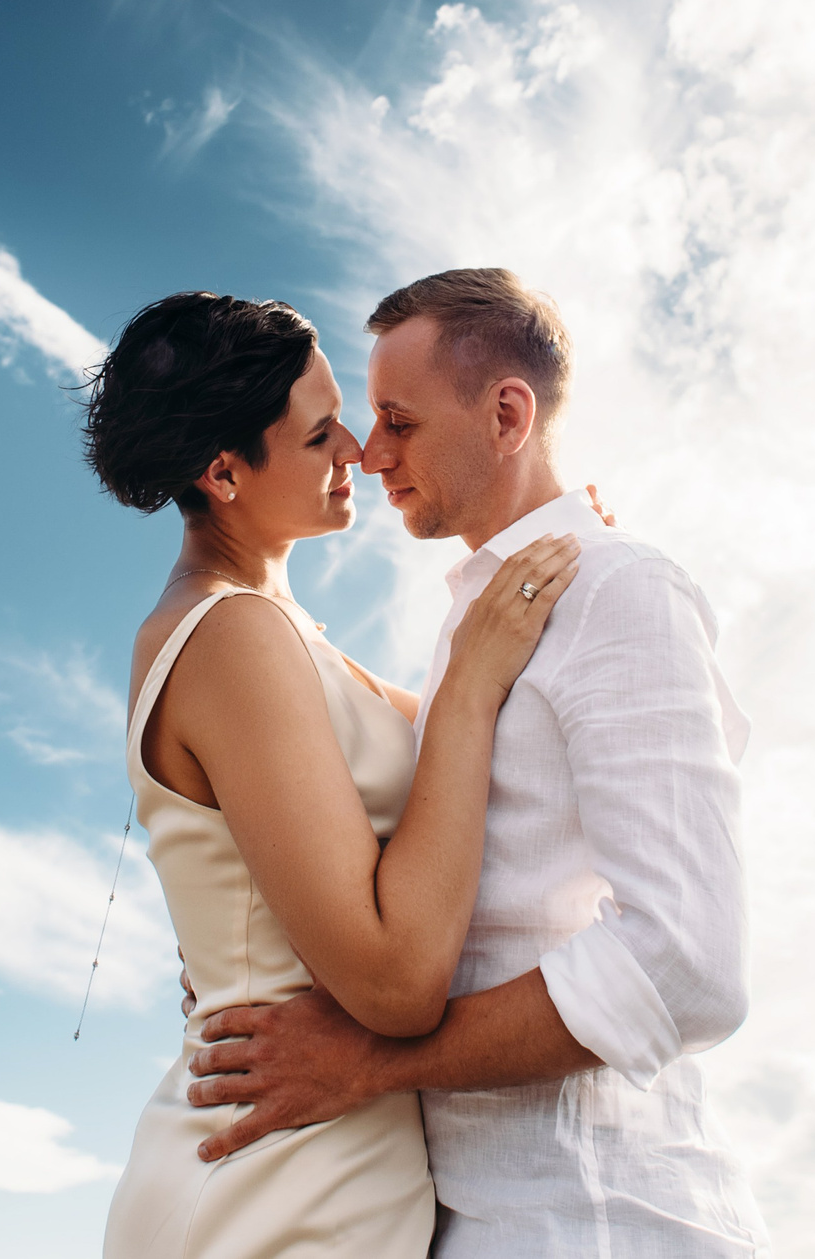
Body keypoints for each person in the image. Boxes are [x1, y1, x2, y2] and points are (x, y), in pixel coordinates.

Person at [179, 268, 769, 1257]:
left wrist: (369, 1062)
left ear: (506, 414)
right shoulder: (480, 623)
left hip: (600, 1220)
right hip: (480, 1217)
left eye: (399, 422)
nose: (370, 455)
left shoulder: (620, 591)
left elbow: (688, 964)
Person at [86, 290, 585, 1259]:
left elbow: (473, 723)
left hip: (314, 1175)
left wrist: (554, 536)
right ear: (224, 473)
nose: (357, 449)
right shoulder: (230, 637)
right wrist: (475, 676)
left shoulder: (282, 634)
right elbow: (396, 983)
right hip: (274, 1190)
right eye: (319, 435)